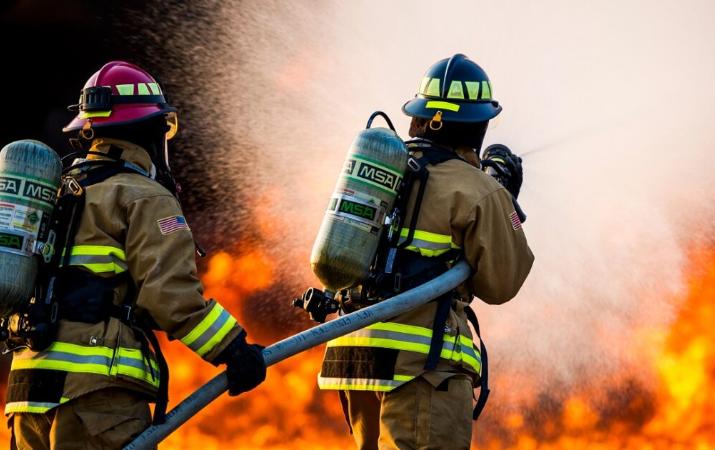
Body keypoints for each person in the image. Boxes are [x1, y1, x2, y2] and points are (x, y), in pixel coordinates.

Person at [5, 61, 267, 449]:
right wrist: (233, 349)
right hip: (96, 398)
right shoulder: (144, 197)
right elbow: (170, 297)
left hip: (27, 394)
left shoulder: (58, 190)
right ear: (149, 130)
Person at [316, 54, 534, 449]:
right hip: (421, 369)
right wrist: (507, 200)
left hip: (357, 358)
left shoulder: (388, 168)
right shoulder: (478, 190)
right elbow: (502, 282)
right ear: (478, 125)